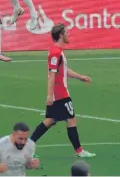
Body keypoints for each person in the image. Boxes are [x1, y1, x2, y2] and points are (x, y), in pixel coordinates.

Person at [30, 23, 96, 158]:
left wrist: (80, 77)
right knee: (71, 119)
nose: (68, 34)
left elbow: (64, 71)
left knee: (50, 120)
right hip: (60, 93)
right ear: (61, 35)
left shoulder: (58, 52)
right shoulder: (55, 53)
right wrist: (49, 95)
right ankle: (79, 151)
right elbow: (52, 75)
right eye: (66, 32)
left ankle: (27, 147)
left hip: (58, 93)